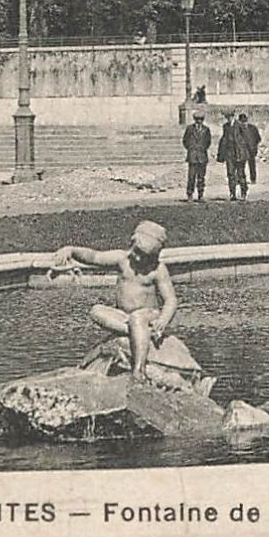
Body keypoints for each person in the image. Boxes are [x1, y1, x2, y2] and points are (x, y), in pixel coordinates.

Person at [52, 221, 178, 383]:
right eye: (135, 251)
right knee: (96, 310)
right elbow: (94, 256)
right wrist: (71, 250)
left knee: (137, 318)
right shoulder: (122, 259)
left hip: (148, 315)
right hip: (124, 317)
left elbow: (170, 300)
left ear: (153, 255)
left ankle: (139, 369)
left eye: (142, 255)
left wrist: (163, 320)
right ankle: (137, 333)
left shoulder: (158, 270)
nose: (136, 257)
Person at [217, 111, 248, 201]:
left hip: (239, 153)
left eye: (230, 116)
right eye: (227, 117)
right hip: (229, 154)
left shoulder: (240, 125)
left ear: (233, 116)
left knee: (241, 174)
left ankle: (243, 193)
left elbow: (246, 139)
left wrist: (245, 152)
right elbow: (224, 139)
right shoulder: (225, 126)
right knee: (230, 174)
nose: (229, 118)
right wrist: (221, 153)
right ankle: (232, 193)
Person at [182, 109, 211, 202]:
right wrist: (191, 149)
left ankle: (200, 195)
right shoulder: (190, 129)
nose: (199, 121)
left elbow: (208, 142)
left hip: (202, 156)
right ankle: (190, 194)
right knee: (191, 177)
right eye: (197, 119)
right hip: (192, 156)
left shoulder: (206, 129)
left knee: (201, 177)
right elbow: (185, 141)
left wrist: (202, 148)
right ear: (194, 119)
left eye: (201, 119)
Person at [239, 112, 262, 185]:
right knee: (241, 165)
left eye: (244, 121)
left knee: (252, 165)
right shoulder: (237, 129)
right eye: (242, 121)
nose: (244, 123)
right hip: (242, 150)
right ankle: (241, 179)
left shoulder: (253, 128)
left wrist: (254, 146)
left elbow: (258, 138)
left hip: (251, 150)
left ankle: (253, 179)